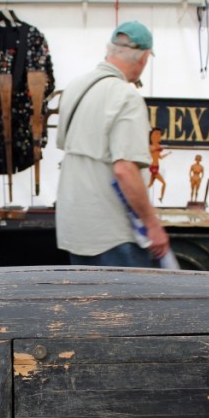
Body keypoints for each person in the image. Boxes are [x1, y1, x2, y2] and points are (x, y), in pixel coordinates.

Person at [54, 21, 169, 268]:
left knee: (87, 306)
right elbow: (124, 169)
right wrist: (152, 224)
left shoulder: (74, 88)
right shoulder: (126, 97)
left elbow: (65, 146)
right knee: (126, 307)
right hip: (112, 234)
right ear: (144, 57)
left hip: (75, 228)